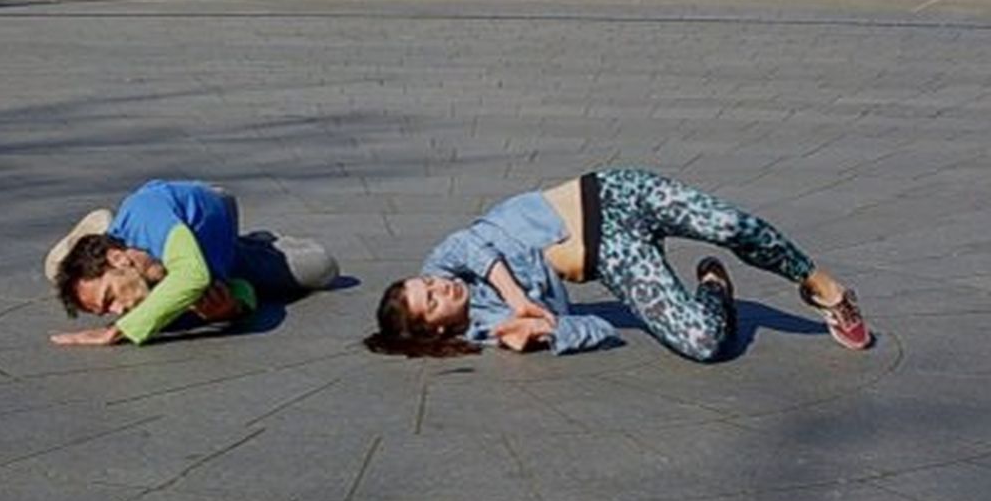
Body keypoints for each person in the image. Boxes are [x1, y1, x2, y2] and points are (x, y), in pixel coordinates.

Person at [366, 169, 871, 361]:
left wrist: (519, 302)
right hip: (615, 257)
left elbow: (474, 246)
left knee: (729, 225)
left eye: (427, 284)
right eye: (429, 300)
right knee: (703, 344)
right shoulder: (487, 329)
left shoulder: (446, 262)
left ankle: (821, 286)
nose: (439, 287)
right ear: (431, 331)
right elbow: (599, 328)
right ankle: (714, 284)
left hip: (609, 195)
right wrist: (544, 332)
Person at [46, 179, 339, 347]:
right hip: (226, 256)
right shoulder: (158, 303)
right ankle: (253, 243)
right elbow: (242, 288)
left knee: (326, 266)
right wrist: (231, 310)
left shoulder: (146, 212)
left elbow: (193, 275)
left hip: (211, 208)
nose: (117, 311)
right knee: (321, 268)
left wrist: (119, 330)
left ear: (118, 258)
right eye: (106, 313)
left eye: (109, 297)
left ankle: (97, 235)